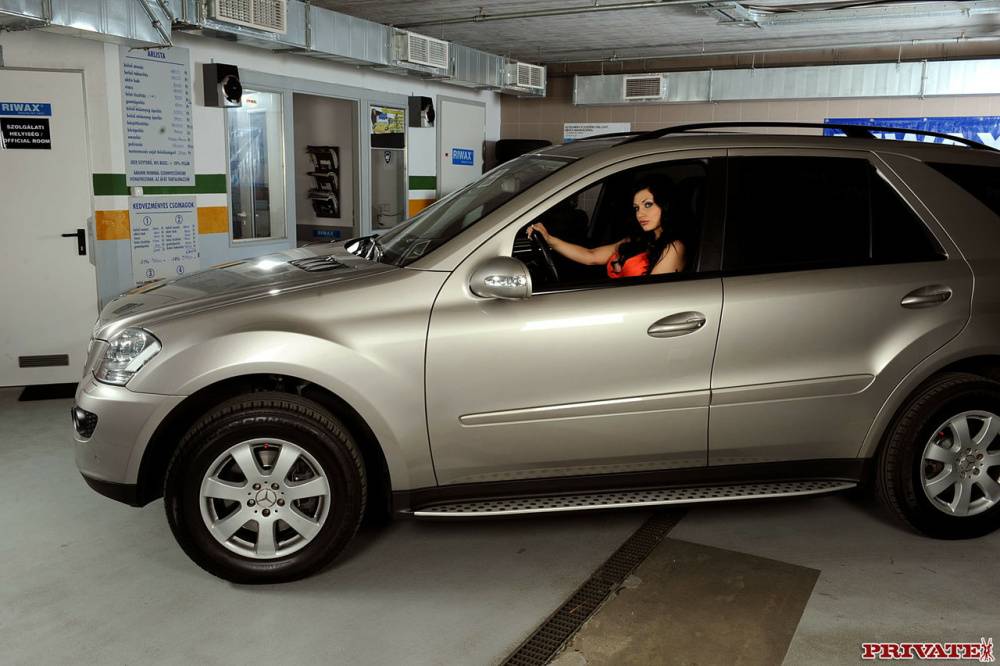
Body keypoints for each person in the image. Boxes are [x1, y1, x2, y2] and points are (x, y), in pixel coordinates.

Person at [526, 180, 685, 278]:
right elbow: (591, 256)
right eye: (636, 208)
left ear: (665, 204)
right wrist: (548, 239)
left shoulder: (674, 247)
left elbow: (652, 297)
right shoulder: (636, 240)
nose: (640, 214)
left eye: (648, 204)